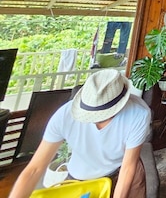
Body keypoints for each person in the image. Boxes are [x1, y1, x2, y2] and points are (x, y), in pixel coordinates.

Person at [9, 68, 151, 198]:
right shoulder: (64, 115)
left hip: (120, 170)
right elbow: (34, 169)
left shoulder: (138, 114)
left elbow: (128, 167)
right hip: (80, 176)